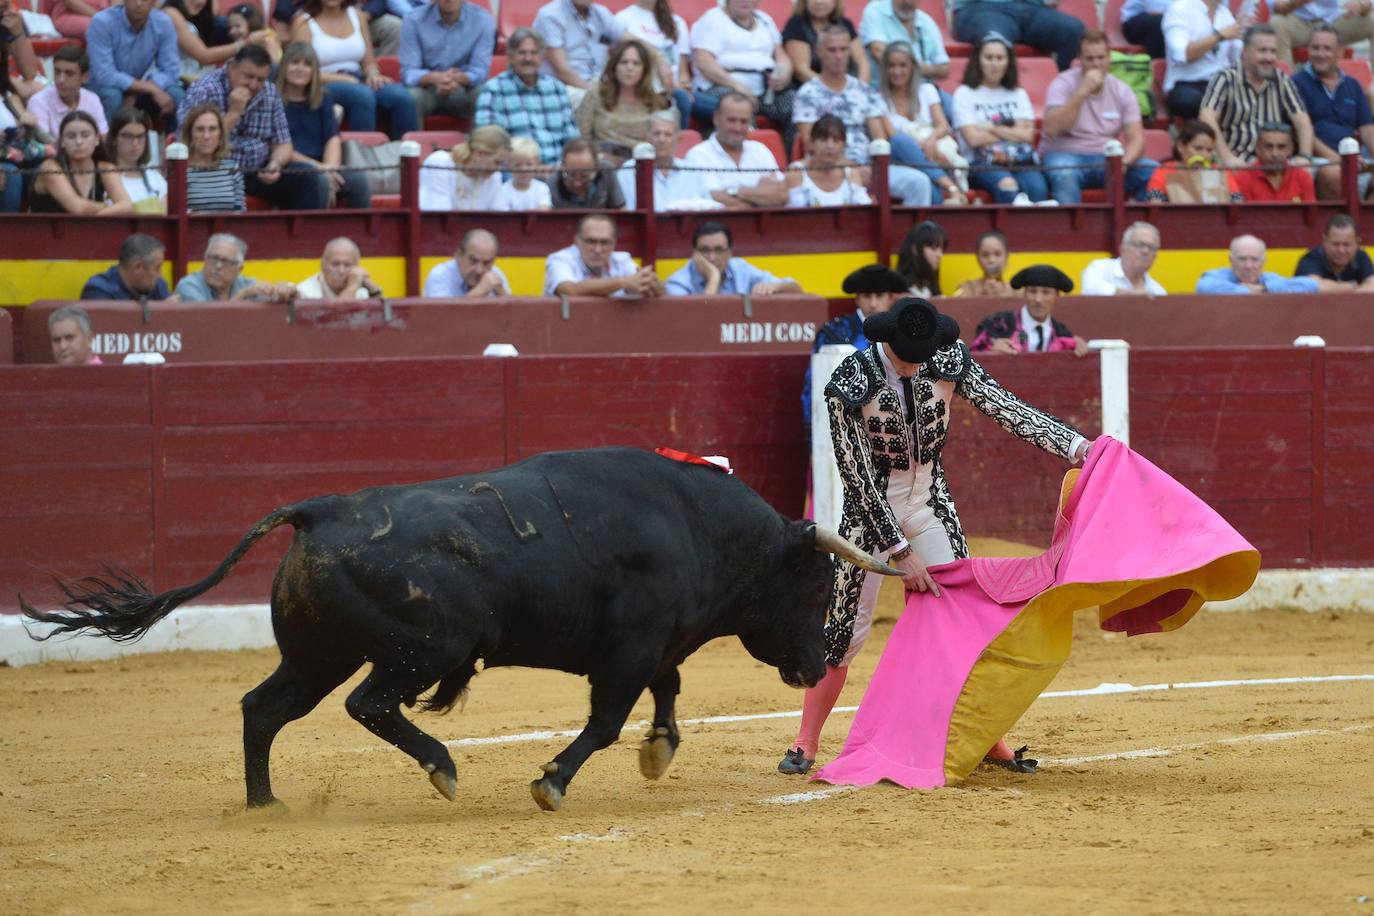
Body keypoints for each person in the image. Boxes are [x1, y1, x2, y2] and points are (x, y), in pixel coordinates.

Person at [777, 295, 1092, 776]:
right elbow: (856, 477)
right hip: (868, 515)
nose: (917, 365)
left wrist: (1074, 447)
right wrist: (900, 553)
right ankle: (806, 742)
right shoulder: (851, 382)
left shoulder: (947, 357)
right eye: (909, 356)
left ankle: (988, 738)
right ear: (887, 344)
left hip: (928, 502)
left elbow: (1006, 409)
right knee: (843, 633)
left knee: (961, 622)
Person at [793, 25, 958, 205]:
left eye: (843, 49)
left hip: (869, 168)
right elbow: (810, 142)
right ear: (819, 52)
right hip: (828, 168)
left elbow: (880, 137)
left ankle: (915, 231)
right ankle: (951, 189)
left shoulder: (863, 90)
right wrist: (851, 167)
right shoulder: (807, 93)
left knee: (918, 182)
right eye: (832, 50)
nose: (838, 56)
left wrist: (875, 164)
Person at [180, 44, 328, 210]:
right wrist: (234, 113)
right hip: (217, 172)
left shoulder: (269, 92)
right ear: (232, 68)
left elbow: (283, 144)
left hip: (259, 171)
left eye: (260, 79)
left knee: (309, 178)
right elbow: (188, 141)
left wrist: (275, 164)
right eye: (248, 77)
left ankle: (302, 235)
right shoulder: (205, 90)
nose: (254, 85)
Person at [1040, 31, 1157, 205]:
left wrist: (1122, 164)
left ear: (1109, 57)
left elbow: (1137, 139)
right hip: (1065, 154)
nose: (1096, 64)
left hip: (1107, 158)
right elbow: (1052, 129)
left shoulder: (1122, 90)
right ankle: (1072, 231)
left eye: (1101, 58)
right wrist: (1081, 92)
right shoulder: (1062, 84)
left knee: (1153, 172)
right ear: (1079, 59)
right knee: (1065, 174)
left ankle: (1138, 226)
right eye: (1090, 59)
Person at [800, 262, 908, 431]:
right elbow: (813, 386)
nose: (873, 304)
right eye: (867, 296)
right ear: (857, 298)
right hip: (844, 427)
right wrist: (812, 433)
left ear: (891, 298)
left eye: (879, 296)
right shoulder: (834, 332)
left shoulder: (903, 333)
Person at [293, 0, 419, 138]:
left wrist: (373, 74)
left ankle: (405, 154)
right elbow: (303, 71)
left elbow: (368, 62)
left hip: (357, 79)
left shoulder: (358, 16)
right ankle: (362, 154)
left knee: (401, 97)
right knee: (361, 95)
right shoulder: (304, 22)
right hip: (322, 82)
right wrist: (344, 79)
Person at [1199, 24, 1315, 170]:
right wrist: (1227, 157)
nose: (1269, 57)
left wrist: (1304, 156)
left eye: (1273, 51)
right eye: (1262, 51)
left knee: (1321, 171)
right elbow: (1206, 117)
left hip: (1275, 162)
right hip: (1238, 163)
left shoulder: (1281, 80)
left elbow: (1302, 120)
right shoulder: (1225, 79)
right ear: (1245, 52)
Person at [951, 33, 1049, 204]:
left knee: (1038, 188)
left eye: (1000, 58)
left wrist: (990, 127)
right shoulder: (964, 94)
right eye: (989, 58)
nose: (994, 64)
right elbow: (973, 139)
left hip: (1020, 160)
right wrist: (1012, 131)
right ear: (978, 61)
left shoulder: (1018, 93)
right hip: (980, 163)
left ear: (1008, 62)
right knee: (1007, 186)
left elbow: (1028, 136)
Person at [276, 42, 373, 208]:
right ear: (284, 66)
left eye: (307, 64)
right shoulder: (272, 101)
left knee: (359, 179)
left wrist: (331, 170)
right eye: (294, 62)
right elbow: (279, 147)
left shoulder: (323, 99)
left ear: (314, 71)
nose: (300, 69)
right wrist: (320, 169)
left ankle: (360, 233)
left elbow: (332, 138)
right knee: (318, 181)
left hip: (321, 167)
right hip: (288, 168)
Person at [689, 0, 796, 149]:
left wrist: (784, 73)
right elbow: (703, 61)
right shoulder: (713, 19)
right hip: (723, 86)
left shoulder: (764, 20)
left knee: (794, 103)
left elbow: (781, 56)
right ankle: (752, 161)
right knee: (740, 106)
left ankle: (788, 161)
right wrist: (738, 87)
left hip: (765, 89)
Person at [472, 29, 579, 165]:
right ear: (510, 56)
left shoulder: (557, 88)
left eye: (533, 53)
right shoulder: (493, 90)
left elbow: (572, 139)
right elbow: (486, 142)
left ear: (542, 57)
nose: (528, 58)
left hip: (558, 173)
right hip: (515, 174)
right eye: (522, 53)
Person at [1292, 26, 1374, 200]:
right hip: (1317, 159)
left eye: (1327, 49)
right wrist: (1341, 160)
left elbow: (1367, 129)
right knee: (1332, 173)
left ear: (1340, 52)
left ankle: (1362, 225)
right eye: (1315, 48)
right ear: (1308, 50)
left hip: (1352, 157)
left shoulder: (1352, 85)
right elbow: (1304, 134)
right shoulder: (1296, 83)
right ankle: (1340, 225)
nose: (1320, 54)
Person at [878, 42, 967, 194]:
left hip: (933, 152)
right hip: (902, 159)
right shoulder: (878, 98)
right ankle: (950, 187)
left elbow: (942, 125)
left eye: (902, 65)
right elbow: (893, 136)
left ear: (912, 67)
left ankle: (946, 190)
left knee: (927, 182)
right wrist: (926, 149)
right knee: (900, 141)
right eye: (891, 66)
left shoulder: (927, 90)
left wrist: (931, 141)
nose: (897, 71)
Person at [575, 38, 675, 166]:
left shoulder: (655, 100)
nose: (629, 68)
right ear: (614, 66)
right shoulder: (597, 93)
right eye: (624, 62)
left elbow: (662, 140)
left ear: (644, 69)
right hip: (603, 165)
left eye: (636, 63)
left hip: (642, 165)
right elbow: (581, 136)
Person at [681, 91, 790, 208]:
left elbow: (782, 194)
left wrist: (735, 192)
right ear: (716, 118)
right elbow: (713, 197)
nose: (738, 128)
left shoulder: (760, 150)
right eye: (732, 120)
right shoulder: (698, 155)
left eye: (744, 121)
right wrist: (760, 199)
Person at [85, 0, 185, 124]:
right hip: (100, 87)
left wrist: (144, 88)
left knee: (176, 94)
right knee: (113, 95)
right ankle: (108, 142)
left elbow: (171, 70)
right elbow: (104, 75)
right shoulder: (102, 22)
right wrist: (149, 88)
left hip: (137, 87)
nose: (138, 3)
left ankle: (176, 142)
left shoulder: (163, 22)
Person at [399, 0, 494, 122]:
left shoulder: (483, 20)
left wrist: (457, 78)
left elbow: (481, 71)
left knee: (484, 93)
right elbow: (409, 72)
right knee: (410, 97)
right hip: (427, 88)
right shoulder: (413, 19)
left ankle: (479, 141)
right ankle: (412, 141)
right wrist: (434, 78)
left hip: (464, 87)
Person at [29, 111, 135, 215]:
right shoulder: (50, 167)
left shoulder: (105, 167)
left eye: (85, 135)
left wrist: (101, 214)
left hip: (89, 230)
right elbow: (78, 208)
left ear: (97, 139)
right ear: (62, 141)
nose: (79, 142)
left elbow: (127, 206)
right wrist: (110, 207)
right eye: (71, 136)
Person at [970, 264, 1088, 354]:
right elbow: (975, 352)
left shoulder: (1062, 333)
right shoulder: (999, 324)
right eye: (1032, 291)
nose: (1038, 299)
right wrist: (991, 347)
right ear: (1024, 293)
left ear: (1057, 296)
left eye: (1046, 293)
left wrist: (1078, 346)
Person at [664, 221, 801, 295]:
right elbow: (699, 319)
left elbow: (796, 289)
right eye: (705, 251)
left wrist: (775, 286)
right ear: (694, 254)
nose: (712, 258)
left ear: (730, 253)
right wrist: (713, 278)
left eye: (719, 250)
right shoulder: (678, 282)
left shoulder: (740, 268)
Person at [534, 0, 625, 109]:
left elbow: (629, 40)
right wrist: (596, 94)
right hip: (564, 88)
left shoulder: (600, 12)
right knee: (604, 105)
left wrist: (649, 51)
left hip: (597, 85)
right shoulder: (550, 15)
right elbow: (563, 72)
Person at [544, 213, 661, 297]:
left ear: (614, 243)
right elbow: (570, 290)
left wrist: (652, 284)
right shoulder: (560, 259)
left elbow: (659, 292)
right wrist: (623, 282)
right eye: (591, 241)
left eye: (605, 242)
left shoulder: (622, 260)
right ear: (576, 241)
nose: (598, 250)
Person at [1162, 0, 1243, 120]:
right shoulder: (1180, 9)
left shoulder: (1224, 13)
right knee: (1192, 101)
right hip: (1187, 84)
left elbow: (1237, 57)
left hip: (1221, 83)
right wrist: (1219, 36)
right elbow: (1184, 54)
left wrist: (1249, 33)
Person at [616, 109, 712, 210]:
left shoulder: (692, 172)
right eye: (656, 134)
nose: (662, 140)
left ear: (678, 140)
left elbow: (708, 208)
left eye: (668, 134)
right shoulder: (630, 170)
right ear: (646, 137)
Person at [614, 0, 693, 123]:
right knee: (681, 99)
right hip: (645, 86)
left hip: (674, 88)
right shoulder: (623, 18)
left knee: (721, 105)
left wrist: (685, 85)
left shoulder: (677, 22)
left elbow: (683, 69)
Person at [951, 0, 1085, 71]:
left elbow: (1052, 2)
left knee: (1073, 30)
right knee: (996, 42)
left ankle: (1062, 93)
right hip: (983, 8)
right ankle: (998, 102)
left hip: (1030, 8)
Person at [173, 233, 300, 302]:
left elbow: (273, 299)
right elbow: (211, 320)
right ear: (205, 259)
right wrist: (243, 295)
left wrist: (287, 291)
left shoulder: (245, 283)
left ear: (239, 269)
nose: (217, 266)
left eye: (226, 262)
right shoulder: (189, 285)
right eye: (213, 258)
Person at [1142, 119, 1242, 202]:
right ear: (1181, 147)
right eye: (1198, 148)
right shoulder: (1165, 171)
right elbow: (1154, 204)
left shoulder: (1221, 172)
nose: (1204, 155)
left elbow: (1237, 202)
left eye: (1209, 150)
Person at [785, 113, 874, 206]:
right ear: (811, 143)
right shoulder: (796, 172)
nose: (830, 146)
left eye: (836, 141)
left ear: (844, 145)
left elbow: (864, 208)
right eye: (823, 140)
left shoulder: (851, 173)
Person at [1196, 234, 1329, 294]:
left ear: (1263, 262)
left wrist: (1264, 289)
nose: (1248, 266)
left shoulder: (1268, 279)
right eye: (1242, 259)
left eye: (1254, 260)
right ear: (1231, 260)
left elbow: (1310, 285)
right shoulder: (1219, 276)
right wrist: (1251, 291)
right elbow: (1204, 287)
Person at [420, 124, 510, 210]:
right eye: (497, 162)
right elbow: (436, 214)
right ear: (479, 153)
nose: (499, 168)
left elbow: (501, 218)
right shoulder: (439, 163)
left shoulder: (494, 177)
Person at [26, 46, 108, 140]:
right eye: (57, 72)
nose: (61, 80)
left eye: (69, 74)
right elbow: (45, 146)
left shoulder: (92, 99)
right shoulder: (38, 102)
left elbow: (103, 139)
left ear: (85, 77)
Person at [784, 0, 870, 87]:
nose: (819, 2)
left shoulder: (844, 23)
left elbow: (862, 62)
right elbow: (801, 71)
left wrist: (861, 88)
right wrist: (833, 89)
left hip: (848, 87)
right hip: (808, 88)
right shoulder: (796, 25)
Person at [858, 0, 947, 82]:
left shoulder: (927, 21)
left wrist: (910, 66)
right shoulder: (875, 11)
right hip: (885, 90)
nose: (908, 2)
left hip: (925, 88)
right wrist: (927, 69)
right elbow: (879, 53)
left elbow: (945, 68)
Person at [181, 102, 247, 212]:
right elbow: (178, 211)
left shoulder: (232, 168)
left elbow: (240, 211)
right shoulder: (181, 171)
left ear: (220, 134)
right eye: (200, 129)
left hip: (228, 228)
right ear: (190, 134)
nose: (206, 136)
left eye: (212, 129)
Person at [1232, 121, 1316, 202]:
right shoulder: (1241, 179)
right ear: (1257, 149)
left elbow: (1311, 214)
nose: (1274, 153)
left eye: (1281, 147)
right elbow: (1240, 214)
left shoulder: (1303, 178)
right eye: (1268, 147)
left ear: (1291, 149)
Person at [1271, 0, 1374, 65]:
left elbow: (1369, 3)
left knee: (1372, 20)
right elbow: (1275, 7)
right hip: (1299, 23)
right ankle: (1285, 87)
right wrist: (1296, 3)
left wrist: (1360, 4)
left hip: (1336, 20)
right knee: (1277, 23)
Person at [163, 0, 241, 85]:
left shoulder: (197, 13)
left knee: (240, 20)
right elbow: (204, 57)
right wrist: (245, 44)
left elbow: (215, 10)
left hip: (202, 77)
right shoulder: (171, 13)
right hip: (183, 81)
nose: (201, 1)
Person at [105, 107, 168, 210]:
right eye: (127, 136)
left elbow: (163, 216)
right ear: (114, 139)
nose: (135, 143)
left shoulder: (155, 178)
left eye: (140, 136)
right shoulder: (102, 177)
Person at [1080, 222, 1167, 296]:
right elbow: (1090, 287)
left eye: (1151, 248)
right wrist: (1131, 295)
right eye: (1139, 245)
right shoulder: (1101, 268)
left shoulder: (1157, 291)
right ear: (1122, 249)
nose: (1145, 251)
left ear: (1155, 257)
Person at [79, 233, 170, 300]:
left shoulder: (157, 286)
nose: (160, 275)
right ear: (138, 267)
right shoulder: (98, 290)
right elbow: (109, 325)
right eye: (157, 268)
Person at [423, 228, 512, 297]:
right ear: (458, 256)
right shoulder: (440, 274)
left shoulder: (496, 274)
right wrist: (480, 291)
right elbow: (442, 316)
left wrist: (502, 294)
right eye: (473, 261)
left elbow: (513, 317)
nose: (479, 270)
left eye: (487, 263)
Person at [1295, 214, 1374, 289]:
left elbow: (1372, 286)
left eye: (1346, 244)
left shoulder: (1361, 257)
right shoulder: (1311, 258)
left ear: (1357, 243)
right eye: (1335, 244)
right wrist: (1351, 286)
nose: (1341, 250)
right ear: (1324, 241)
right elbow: (1315, 287)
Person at [550, 137, 628, 209]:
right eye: (571, 175)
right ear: (563, 166)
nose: (577, 183)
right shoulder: (554, 182)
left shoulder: (606, 171)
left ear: (597, 167)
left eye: (584, 176)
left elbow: (621, 210)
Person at [297, 237, 383, 298]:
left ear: (357, 267)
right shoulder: (305, 292)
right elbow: (336, 317)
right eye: (335, 264)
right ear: (322, 266)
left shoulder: (361, 289)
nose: (341, 271)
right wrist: (352, 287)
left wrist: (374, 290)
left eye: (348, 265)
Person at [954, 230, 1015, 297]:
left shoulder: (1016, 291)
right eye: (985, 255)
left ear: (1007, 256)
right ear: (977, 258)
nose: (992, 260)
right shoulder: (966, 288)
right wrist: (982, 293)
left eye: (997, 254)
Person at [895, 220, 946, 298]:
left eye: (942, 249)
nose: (940, 255)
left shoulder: (930, 287)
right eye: (933, 248)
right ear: (915, 248)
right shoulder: (900, 289)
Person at [501, 137, 554, 210]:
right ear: (508, 166)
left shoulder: (542, 188)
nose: (523, 169)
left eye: (529, 164)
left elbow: (544, 210)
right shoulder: (503, 190)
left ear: (537, 164)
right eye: (517, 165)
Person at [41, 0, 109, 41]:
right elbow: (69, 1)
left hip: (103, 16)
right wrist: (100, 17)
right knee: (99, 29)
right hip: (69, 14)